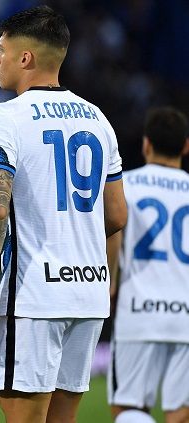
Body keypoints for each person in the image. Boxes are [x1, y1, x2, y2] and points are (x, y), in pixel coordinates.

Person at [0, 6, 128, 423]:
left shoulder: (5, 117)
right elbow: (118, 215)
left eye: (1, 49)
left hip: (36, 294)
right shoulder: (99, 120)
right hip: (88, 293)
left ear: (26, 58)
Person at [107, 107, 189, 423]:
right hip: (185, 316)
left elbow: (114, 233)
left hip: (138, 312)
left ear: (146, 144)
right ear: (185, 146)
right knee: (180, 414)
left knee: (128, 412)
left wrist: (109, 280)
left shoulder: (126, 184)